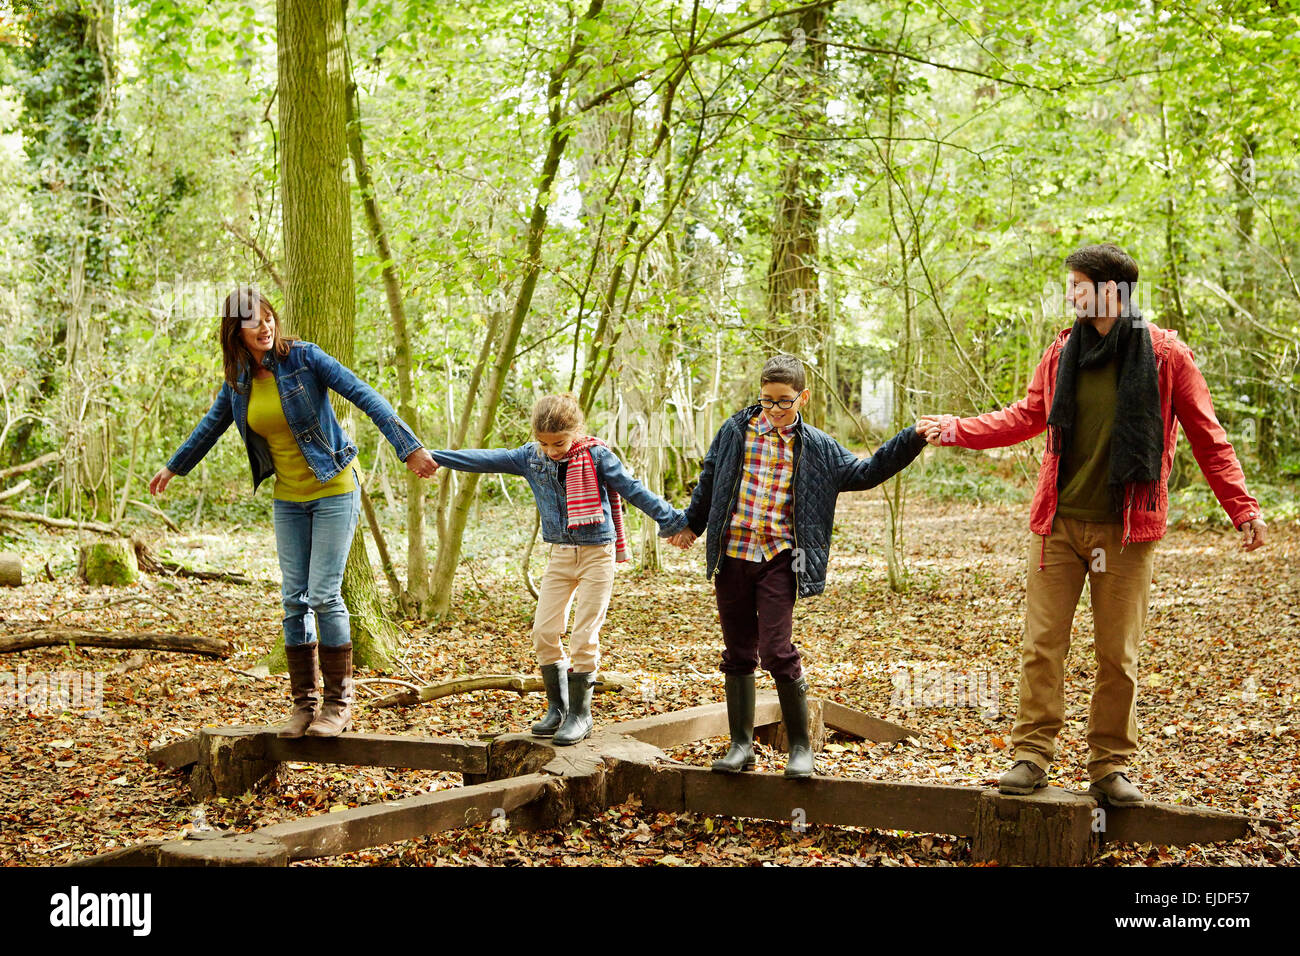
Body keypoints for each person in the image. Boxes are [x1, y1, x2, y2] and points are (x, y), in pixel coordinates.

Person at [919, 242, 1267, 806]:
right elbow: (1027, 416)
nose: (1070, 294)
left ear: (1112, 291)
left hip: (1126, 529)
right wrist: (958, 429)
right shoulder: (1063, 351)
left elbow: (1208, 435)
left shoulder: (1165, 355)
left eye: (1079, 285)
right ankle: (1031, 756)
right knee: (1042, 644)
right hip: (1058, 524)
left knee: (1117, 655)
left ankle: (1109, 766)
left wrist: (1242, 507)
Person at [149, 287, 435, 739]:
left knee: (323, 594)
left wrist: (409, 448)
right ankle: (303, 706)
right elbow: (211, 425)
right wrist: (174, 467)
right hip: (288, 497)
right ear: (235, 333)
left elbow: (364, 394)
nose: (263, 327)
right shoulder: (239, 379)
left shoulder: (305, 358)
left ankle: (339, 704)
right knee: (293, 598)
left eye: (267, 318)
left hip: (335, 486)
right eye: (252, 323)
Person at [670, 355, 930, 778]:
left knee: (776, 649)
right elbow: (710, 480)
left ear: (802, 398)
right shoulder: (735, 431)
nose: (774, 410)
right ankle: (741, 746)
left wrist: (912, 438)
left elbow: (866, 472)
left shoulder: (819, 448)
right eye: (766, 400)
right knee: (737, 653)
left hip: (781, 559)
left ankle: (800, 748)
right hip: (732, 555)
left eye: (784, 402)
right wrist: (692, 526)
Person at [427, 393, 688, 745]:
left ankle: (581, 716)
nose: (552, 450)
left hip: (597, 553)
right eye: (544, 443)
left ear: (576, 431)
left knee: (584, 636)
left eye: (559, 442)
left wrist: (673, 521)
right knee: (544, 632)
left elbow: (634, 490)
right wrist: (433, 457)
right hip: (560, 554)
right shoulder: (530, 457)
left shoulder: (597, 456)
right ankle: (558, 709)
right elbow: (485, 459)